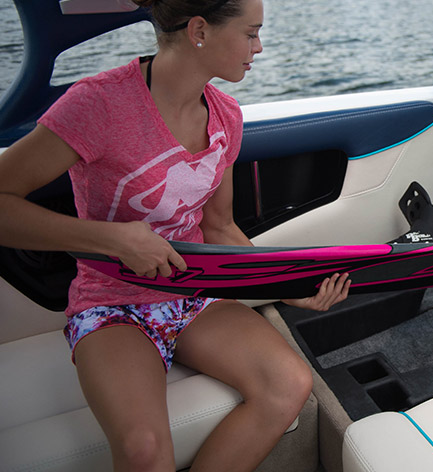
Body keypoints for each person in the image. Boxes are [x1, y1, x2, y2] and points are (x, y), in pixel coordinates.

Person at [0, 0, 350, 470]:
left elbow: (219, 227)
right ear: (199, 30)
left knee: (288, 384)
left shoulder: (226, 116)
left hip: (194, 292)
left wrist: (287, 286)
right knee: (144, 450)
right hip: (113, 304)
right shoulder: (99, 104)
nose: (259, 47)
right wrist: (113, 240)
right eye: (250, 33)